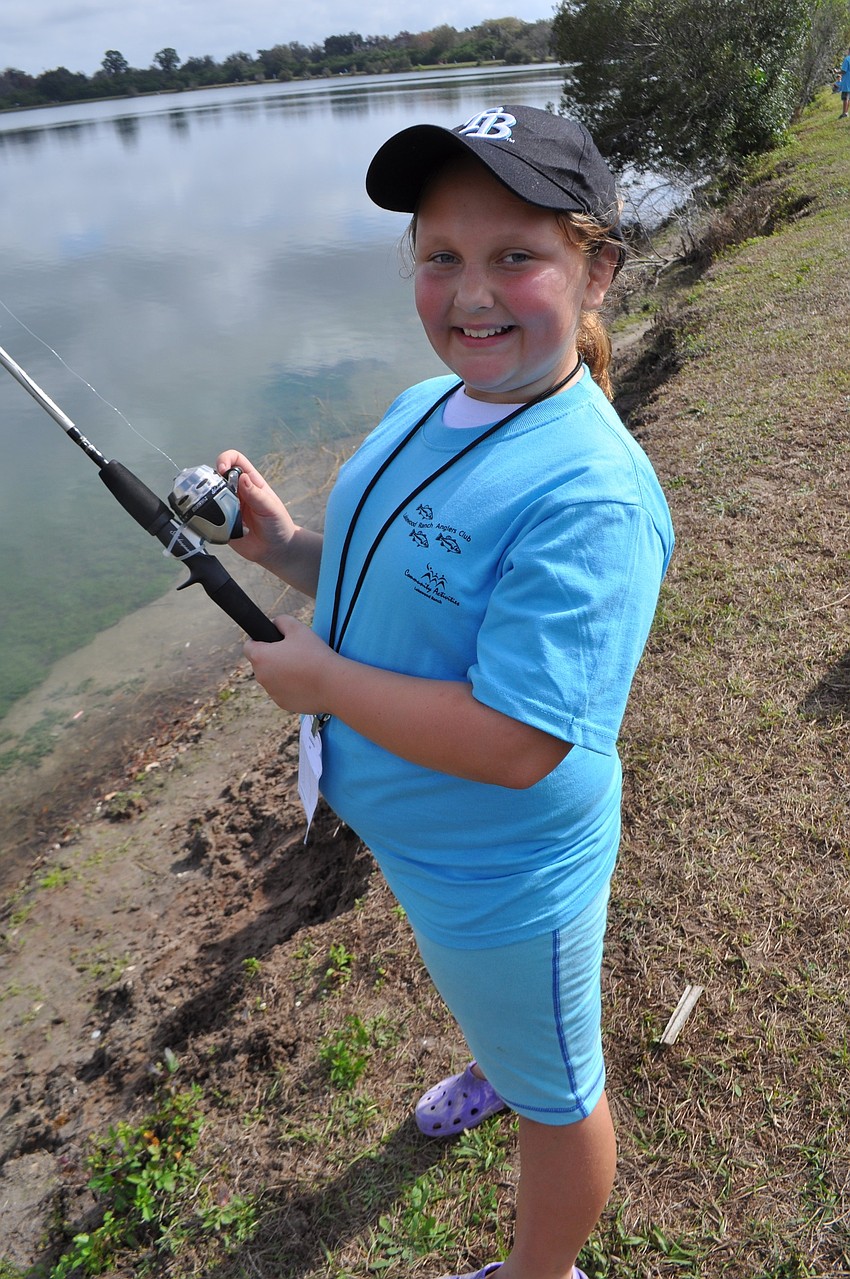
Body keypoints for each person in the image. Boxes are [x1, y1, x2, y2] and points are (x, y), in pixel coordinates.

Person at [217, 105, 674, 1279]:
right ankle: (501, 1045)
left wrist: (318, 678)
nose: (471, 292)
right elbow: (388, 577)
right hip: (424, 849)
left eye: (515, 256)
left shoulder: (590, 496)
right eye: (441, 258)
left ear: (597, 271)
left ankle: (541, 1269)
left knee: (561, 1097)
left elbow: (521, 741)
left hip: (502, 874)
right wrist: (281, 549)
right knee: (505, 1020)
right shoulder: (426, 407)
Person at [840, 47, 850, 118]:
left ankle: (844, 113)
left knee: (845, 98)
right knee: (849, 98)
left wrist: (836, 72)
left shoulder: (847, 59)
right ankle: (846, 112)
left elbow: (844, 71)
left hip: (846, 81)